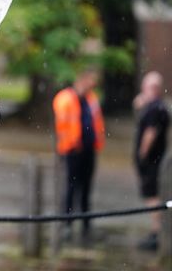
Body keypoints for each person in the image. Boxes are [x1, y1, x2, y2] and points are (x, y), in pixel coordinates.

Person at [52, 69, 105, 241]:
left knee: (86, 188)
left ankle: (85, 223)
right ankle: (67, 222)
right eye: (90, 81)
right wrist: (71, 143)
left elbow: (96, 121)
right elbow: (63, 122)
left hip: (89, 148)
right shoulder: (65, 99)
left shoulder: (92, 99)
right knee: (71, 187)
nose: (92, 85)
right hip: (72, 149)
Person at [133, 71, 169, 251]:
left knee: (152, 197)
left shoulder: (156, 109)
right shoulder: (156, 107)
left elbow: (150, 133)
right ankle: (157, 232)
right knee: (153, 196)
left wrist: (142, 154)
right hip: (156, 161)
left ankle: (157, 233)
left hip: (153, 161)